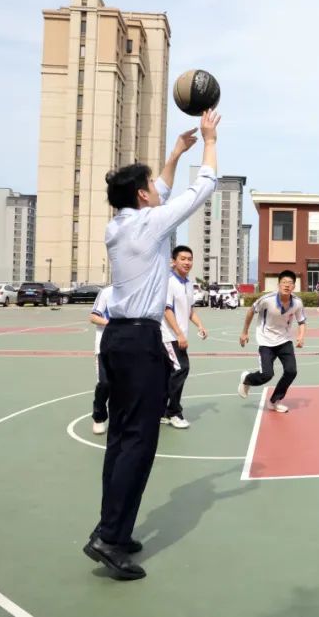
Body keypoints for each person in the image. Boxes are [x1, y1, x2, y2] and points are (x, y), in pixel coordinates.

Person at [83, 108, 220, 581]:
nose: (155, 191)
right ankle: (109, 536)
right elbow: (202, 189)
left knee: (121, 439)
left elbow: (157, 191)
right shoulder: (150, 225)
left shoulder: (118, 226)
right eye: (150, 188)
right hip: (140, 341)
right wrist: (207, 142)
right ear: (141, 197)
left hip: (116, 341)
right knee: (140, 443)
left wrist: (174, 153)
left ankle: (113, 529)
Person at [237, 270, 307, 413]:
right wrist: (244, 332)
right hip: (266, 341)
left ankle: (274, 400)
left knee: (291, 371)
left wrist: (301, 336)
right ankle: (247, 379)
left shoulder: (297, 303)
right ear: (278, 285)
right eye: (284, 282)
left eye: (290, 283)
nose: (287, 285)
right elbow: (251, 311)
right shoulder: (267, 300)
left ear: (294, 286)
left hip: (284, 340)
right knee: (267, 375)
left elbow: (301, 321)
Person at [161, 245, 208, 429]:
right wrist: (179, 334)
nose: (187, 262)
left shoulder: (188, 284)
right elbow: (166, 309)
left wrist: (201, 325)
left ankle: (162, 411)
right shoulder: (168, 281)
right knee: (182, 368)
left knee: (167, 375)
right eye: (183, 258)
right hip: (168, 336)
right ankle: (174, 412)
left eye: (190, 259)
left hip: (179, 337)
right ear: (173, 261)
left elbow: (189, 311)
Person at [89, 285, 115, 435]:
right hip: (104, 347)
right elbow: (93, 317)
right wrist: (111, 324)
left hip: (127, 347)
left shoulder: (134, 291)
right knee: (105, 383)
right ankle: (99, 417)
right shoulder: (106, 292)